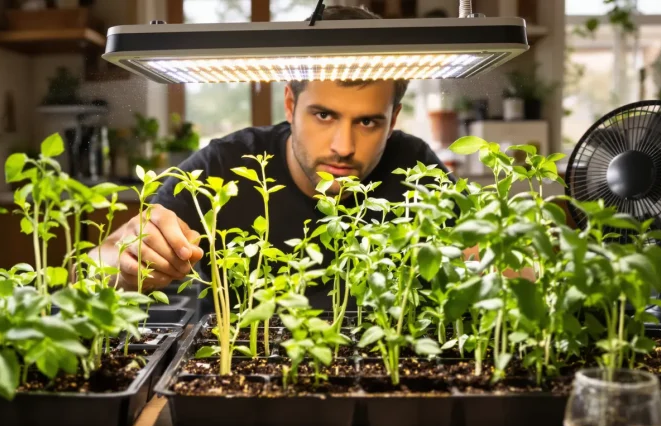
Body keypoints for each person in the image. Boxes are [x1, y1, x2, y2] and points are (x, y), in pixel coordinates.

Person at [89, 5, 454, 310]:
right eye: (324, 115)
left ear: (392, 121)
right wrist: (121, 260)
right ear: (291, 105)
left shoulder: (415, 170)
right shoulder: (224, 167)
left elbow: (482, 260)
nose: (343, 146)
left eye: (368, 121)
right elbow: (89, 270)